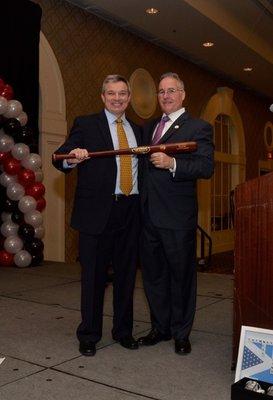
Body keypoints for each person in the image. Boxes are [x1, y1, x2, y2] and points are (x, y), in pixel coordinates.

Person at [53, 75, 142, 356]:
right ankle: (89, 334)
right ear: (103, 97)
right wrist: (72, 157)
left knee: (127, 276)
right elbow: (61, 156)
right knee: (93, 277)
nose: (117, 98)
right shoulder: (86, 123)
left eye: (123, 93)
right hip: (97, 213)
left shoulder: (139, 129)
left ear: (129, 97)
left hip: (132, 211)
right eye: (111, 93)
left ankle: (123, 331)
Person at [138, 72, 214, 355]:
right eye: (161, 91)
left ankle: (182, 333)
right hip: (147, 216)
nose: (166, 96)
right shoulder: (148, 128)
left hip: (177, 217)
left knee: (181, 276)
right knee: (154, 276)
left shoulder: (198, 127)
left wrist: (173, 163)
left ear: (183, 94)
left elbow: (206, 168)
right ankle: (161, 327)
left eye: (172, 90)